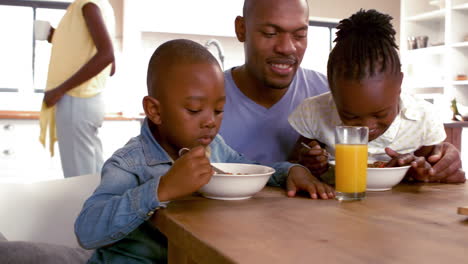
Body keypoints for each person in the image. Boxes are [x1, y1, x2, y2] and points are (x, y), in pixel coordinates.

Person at [75, 39, 332, 264]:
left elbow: (247, 168)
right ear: (155, 111)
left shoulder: (214, 147)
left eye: (219, 110)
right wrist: (162, 188)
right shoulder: (130, 163)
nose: (210, 121)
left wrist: (291, 171)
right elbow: (87, 230)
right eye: (195, 110)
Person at [288, 9, 466, 183]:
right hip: (339, 203)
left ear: (399, 86)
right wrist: (308, 163)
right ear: (332, 93)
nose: (367, 126)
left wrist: (426, 171)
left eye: (380, 114)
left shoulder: (423, 118)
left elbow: (440, 170)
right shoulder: (314, 111)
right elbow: (294, 163)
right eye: (350, 116)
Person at [219, 0, 333, 196]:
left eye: (300, 35)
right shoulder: (201, 99)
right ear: (241, 29)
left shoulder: (328, 95)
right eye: (270, 34)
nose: (287, 48)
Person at [39, 0, 116, 178]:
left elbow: (107, 55)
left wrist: (59, 90)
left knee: (79, 178)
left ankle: (87, 207)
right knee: (92, 175)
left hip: (75, 100)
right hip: (89, 101)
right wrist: (54, 36)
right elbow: (111, 67)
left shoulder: (87, 5)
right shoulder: (102, 7)